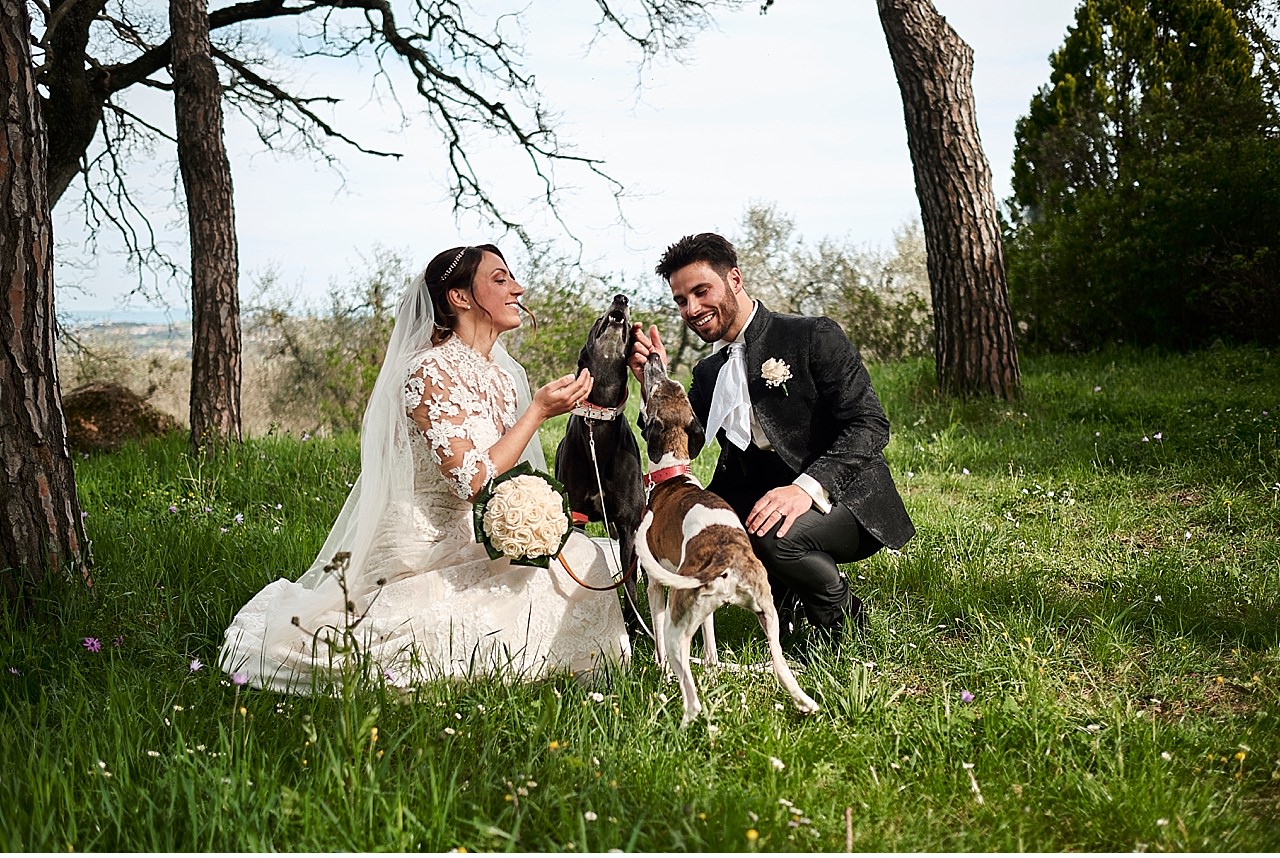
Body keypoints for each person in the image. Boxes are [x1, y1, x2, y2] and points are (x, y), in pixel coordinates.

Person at [220, 244, 632, 691]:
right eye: (500, 280)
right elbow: (475, 482)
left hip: (481, 539)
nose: (518, 288)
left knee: (589, 555)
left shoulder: (500, 375)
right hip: (423, 550)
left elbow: (510, 474)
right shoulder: (427, 372)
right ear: (459, 297)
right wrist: (536, 413)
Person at [630, 232, 915, 658]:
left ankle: (843, 618)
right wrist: (656, 384)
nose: (691, 309)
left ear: (736, 280)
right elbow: (687, 440)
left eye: (700, 291)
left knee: (773, 537)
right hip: (757, 497)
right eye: (680, 300)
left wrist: (804, 489)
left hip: (846, 497)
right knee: (723, 527)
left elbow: (869, 424)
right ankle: (787, 597)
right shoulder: (709, 371)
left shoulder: (811, 336)